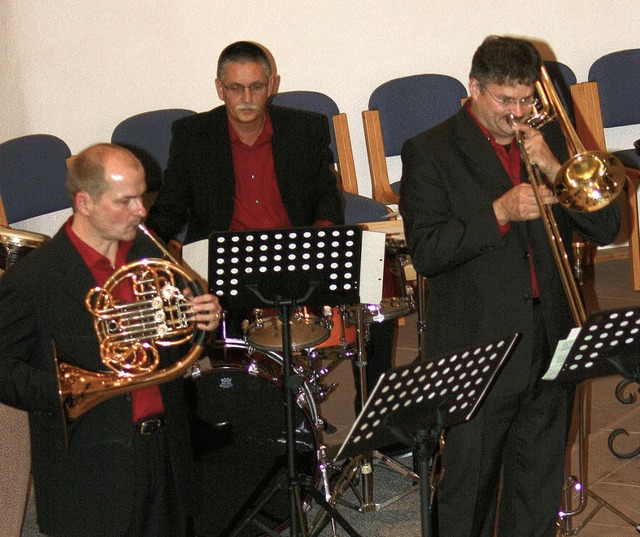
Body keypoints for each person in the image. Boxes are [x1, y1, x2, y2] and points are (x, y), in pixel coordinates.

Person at [399, 35, 621, 537]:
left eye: (526, 100)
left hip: (550, 336)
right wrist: (498, 213)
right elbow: (428, 253)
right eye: (505, 100)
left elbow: (608, 230)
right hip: (479, 347)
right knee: (469, 490)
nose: (517, 113)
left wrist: (551, 165)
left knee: (537, 485)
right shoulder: (430, 151)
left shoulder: (550, 142)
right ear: (474, 88)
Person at [0, 143, 223, 537]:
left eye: (142, 196)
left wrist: (201, 320)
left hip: (165, 452)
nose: (141, 210)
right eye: (126, 200)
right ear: (85, 203)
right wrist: (67, 387)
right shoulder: (34, 279)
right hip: (91, 470)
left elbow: (175, 346)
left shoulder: (147, 254)